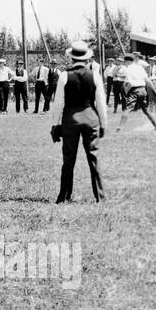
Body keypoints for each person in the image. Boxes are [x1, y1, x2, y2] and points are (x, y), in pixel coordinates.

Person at [50, 40, 108, 203]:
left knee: (68, 159)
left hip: (70, 120)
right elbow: (101, 103)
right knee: (93, 157)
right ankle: (100, 197)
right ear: (87, 58)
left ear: (72, 58)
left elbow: (59, 103)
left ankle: (64, 196)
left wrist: (55, 125)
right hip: (90, 118)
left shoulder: (64, 76)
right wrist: (103, 124)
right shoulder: (95, 75)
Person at [115, 53, 156, 132]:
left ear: (127, 62)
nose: (124, 64)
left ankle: (119, 128)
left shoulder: (128, 69)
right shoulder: (140, 67)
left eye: (124, 62)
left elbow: (129, 83)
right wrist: (154, 90)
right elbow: (148, 81)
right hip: (143, 90)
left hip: (134, 90)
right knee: (145, 110)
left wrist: (126, 92)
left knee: (127, 108)